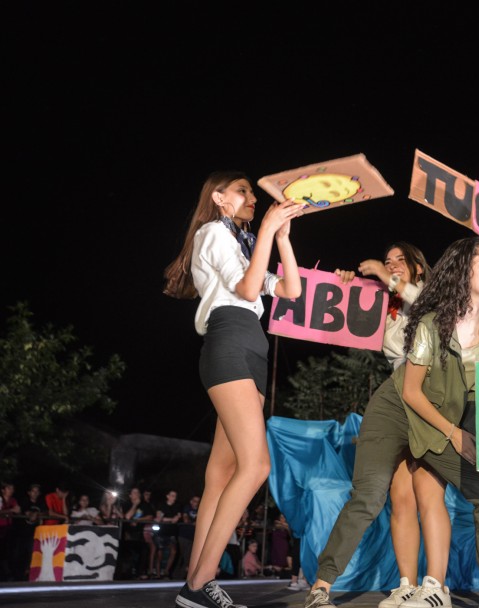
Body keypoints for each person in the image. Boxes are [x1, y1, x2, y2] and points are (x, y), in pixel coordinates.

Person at [303, 236, 479, 608]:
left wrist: (478, 437)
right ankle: (321, 588)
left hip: (440, 415)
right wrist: (455, 434)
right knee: (371, 495)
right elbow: (410, 392)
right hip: (397, 408)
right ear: (461, 271)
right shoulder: (431, 322)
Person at [164, 170, 304, 608]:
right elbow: (245, 288)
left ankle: (195, 583)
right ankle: (200, 583)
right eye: (242, 191)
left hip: (251, 348)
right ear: (220, 198)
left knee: (222, 475)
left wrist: (281, 237)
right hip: (227, 340)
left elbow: (291, 290)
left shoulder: (244, 245)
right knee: (256, 465)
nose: (251, 198)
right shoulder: (212, 233)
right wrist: (265, 230)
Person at [334, 241, 447, 608]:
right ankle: (407, 584)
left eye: (400, 260)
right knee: (400, 497)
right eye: (387, 260)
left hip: (429, 390)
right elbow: (349, 314)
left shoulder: (431, 292)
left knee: (428, 492)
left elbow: (434, 312)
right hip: (395, 392)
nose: (392, 265)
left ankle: (436, 587)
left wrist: (388, 277)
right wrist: (348, 286)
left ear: (417, 266)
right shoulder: (388, 302)